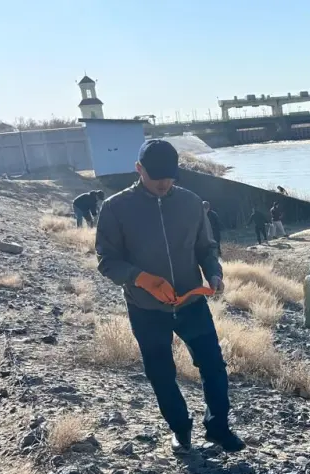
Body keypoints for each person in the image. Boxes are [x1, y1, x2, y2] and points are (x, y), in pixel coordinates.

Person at [95, 139, 244, 454]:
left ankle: (218, 427)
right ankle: (180, 429)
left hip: (192, 302)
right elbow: (107, 261)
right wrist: (141, 278)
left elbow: (206, 247)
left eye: (170, 176)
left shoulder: (191, 203)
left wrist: (214, 273)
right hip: (145, 308)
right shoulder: (115, 208)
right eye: (156, 176)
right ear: (139, 170)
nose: (164, 183)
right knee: (161, 374)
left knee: (214, 366)